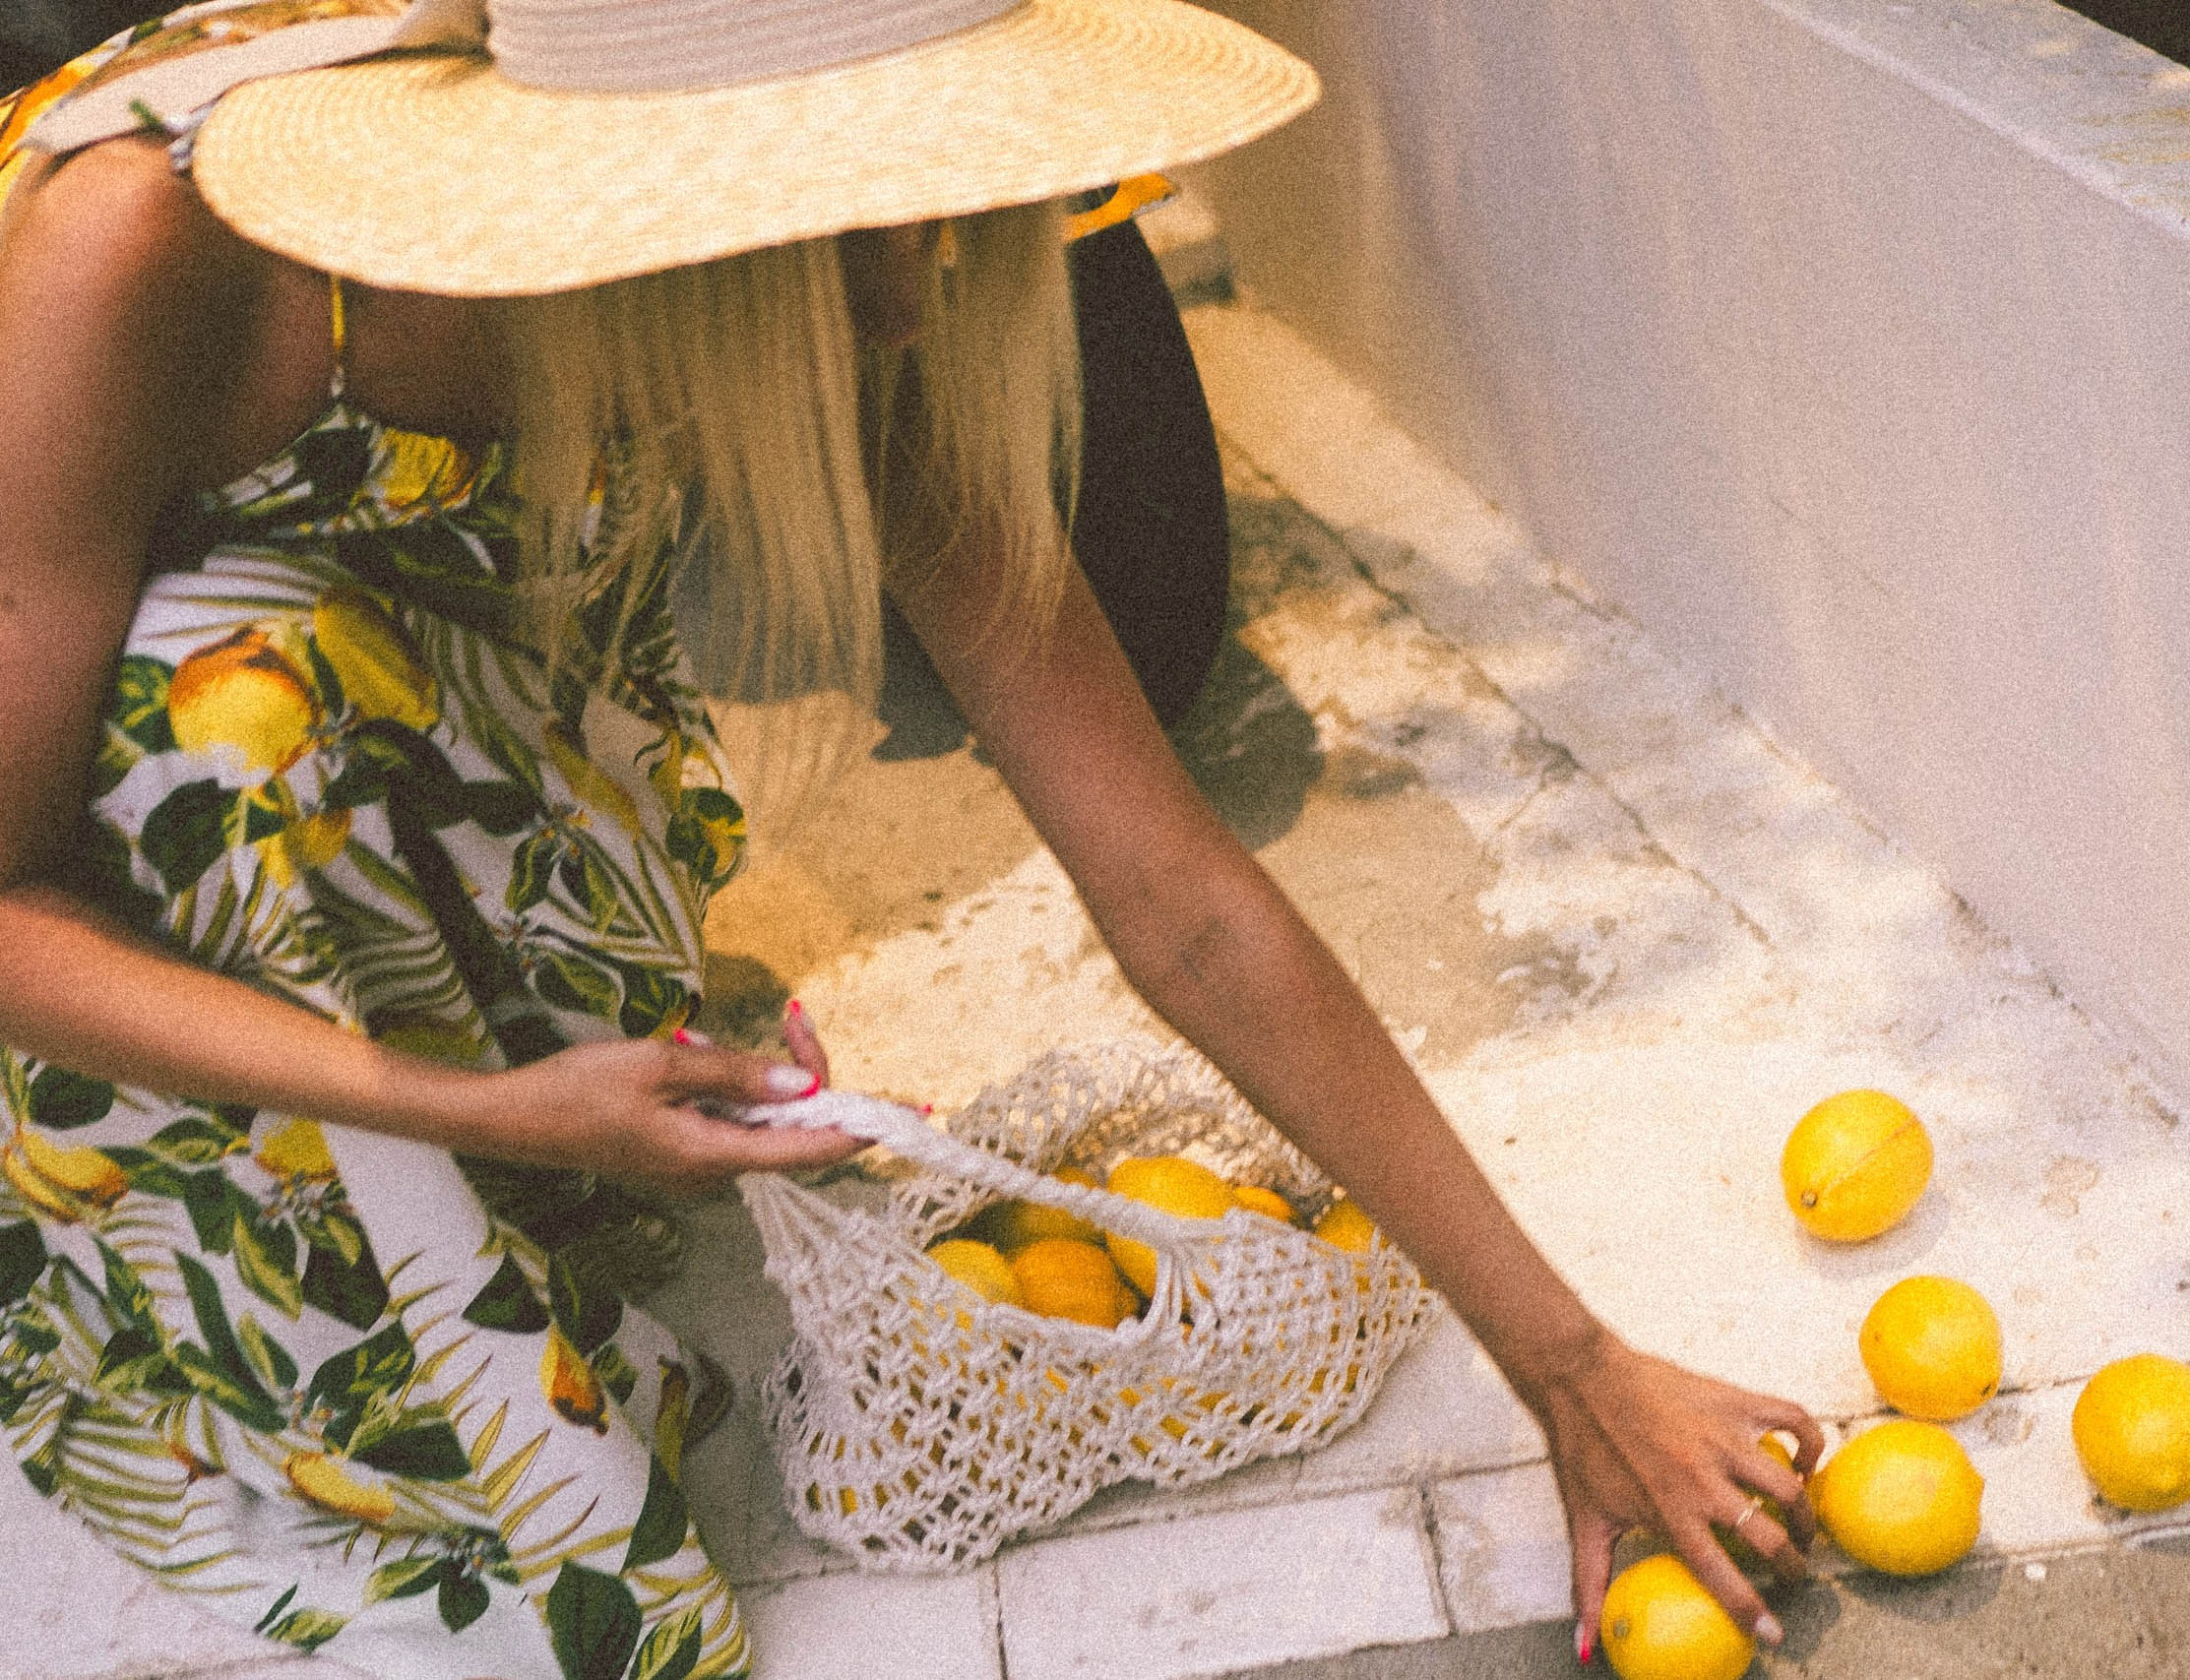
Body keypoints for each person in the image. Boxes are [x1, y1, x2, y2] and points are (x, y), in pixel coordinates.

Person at [0, 1, 1821, 1675]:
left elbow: (1171, 890)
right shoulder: (152, 257)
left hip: (441, 696)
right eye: (852, 212)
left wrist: (1571, 1367)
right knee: (225, 703)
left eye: (929, 191)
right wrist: (460, 1113)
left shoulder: (861, 295)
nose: (913, 284)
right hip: (100, 829)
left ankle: (487, 1053)